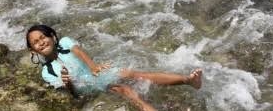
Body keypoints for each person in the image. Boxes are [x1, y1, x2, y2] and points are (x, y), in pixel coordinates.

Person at [26, 25, 203, 111]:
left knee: (132, 73)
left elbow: (79, 52)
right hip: (88, 89)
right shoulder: (46, 72)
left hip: (94, 73)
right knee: (124, 89)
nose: (41, 42)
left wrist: (94, 66)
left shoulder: (64, 42)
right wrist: (68, 83)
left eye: (43, 37)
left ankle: (188, 80)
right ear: (32, 50)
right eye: (35, 42)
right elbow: (73, 94)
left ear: (52, 36)